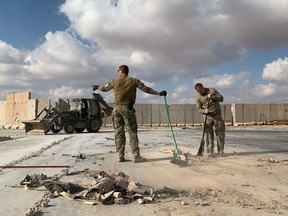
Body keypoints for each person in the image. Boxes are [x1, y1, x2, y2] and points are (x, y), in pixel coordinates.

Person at [93, 65, 167, 163]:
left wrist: (97, 87)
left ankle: (120, 156)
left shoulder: (114, 81)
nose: (117, 72)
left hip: (117, 110)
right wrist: (158, 93)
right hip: (127, 109)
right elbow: (146, 89)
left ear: (122, 71)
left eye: (118, 70)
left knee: (119, 133)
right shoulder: (133, 81)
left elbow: (104, 88)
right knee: (132, 132)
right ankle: (136, 156)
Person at [195, 83, 225, 156]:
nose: (200, 92)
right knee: (208, 135)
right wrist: (204, 111)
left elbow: (221, 99)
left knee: (220, 134)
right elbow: (198, 108)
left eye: (200, 91)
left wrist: (213, 97)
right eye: (198, 92)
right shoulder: (199, 97)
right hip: (207, 117)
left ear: (202, 87)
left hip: (217, 116)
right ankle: (210, 152)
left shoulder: (212, 90)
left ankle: (220, 151)